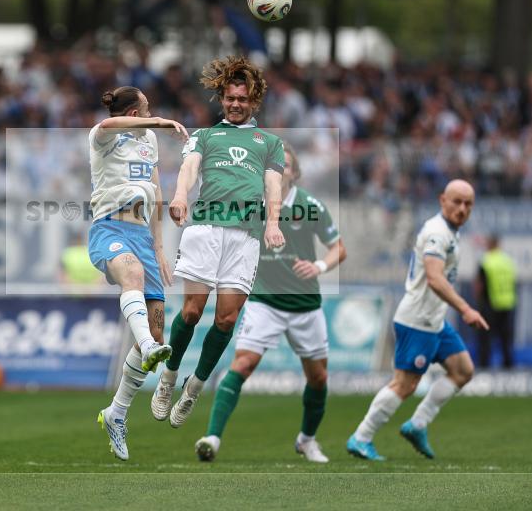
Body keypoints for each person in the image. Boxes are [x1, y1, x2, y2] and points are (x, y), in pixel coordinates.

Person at [151, 56, 285, 428]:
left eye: (242, 99)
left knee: (226, 319)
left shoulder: (270, 143)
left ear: (253, 101)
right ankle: (168, 378)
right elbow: (189, 168)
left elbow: (273, 186)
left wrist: (273, 223)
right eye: (230, 98)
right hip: (205, 229)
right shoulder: (205, 136)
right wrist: (179, 196)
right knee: (192, 312)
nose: (236, 104)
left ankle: (194, 388)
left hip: (245, 237)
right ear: (222, 99)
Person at [194, 142, 346, 463]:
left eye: (286, 165)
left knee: (318, 378)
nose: (280, 171)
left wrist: (318, 267)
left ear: (296, 173)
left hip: (305, 305)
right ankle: (212, 437)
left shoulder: (311, 205)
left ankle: (307, 440)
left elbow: (338, 248)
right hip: (264, 302)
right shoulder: (252, 204)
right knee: (243, 364)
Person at [347, 179, 489, 461]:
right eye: (456, 201)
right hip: (418, 320)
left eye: (468, 203)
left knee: (463, 370)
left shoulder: (451, 231)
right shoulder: (438, 233)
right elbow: (435, 278)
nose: (462, 208)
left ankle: (418, 424)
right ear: (442, 200)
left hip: (435, 321)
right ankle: (361, 437)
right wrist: (465, 309)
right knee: (405, 384)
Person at [88, 86, 188, 461]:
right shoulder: (102, 137)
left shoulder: (147, 139)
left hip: (143, 237)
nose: (152, 113)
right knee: (130, 275)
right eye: (146, 109)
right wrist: (162, 121)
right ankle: (146, 345)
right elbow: (107, 122)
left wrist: (160, 248)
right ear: (135, 113)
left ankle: (116, 413)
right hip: (109, 229)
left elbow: (156, 192)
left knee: (158, 328)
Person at [475, 234, 517, 369]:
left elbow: (479, 285)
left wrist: (478, 302)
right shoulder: (508, 261)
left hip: (490, 304)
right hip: (508, 304)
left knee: (485, 340)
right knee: (506, 341)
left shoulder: (486, 261)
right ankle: (508, 369)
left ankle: (484, 368)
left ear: (489, 245)